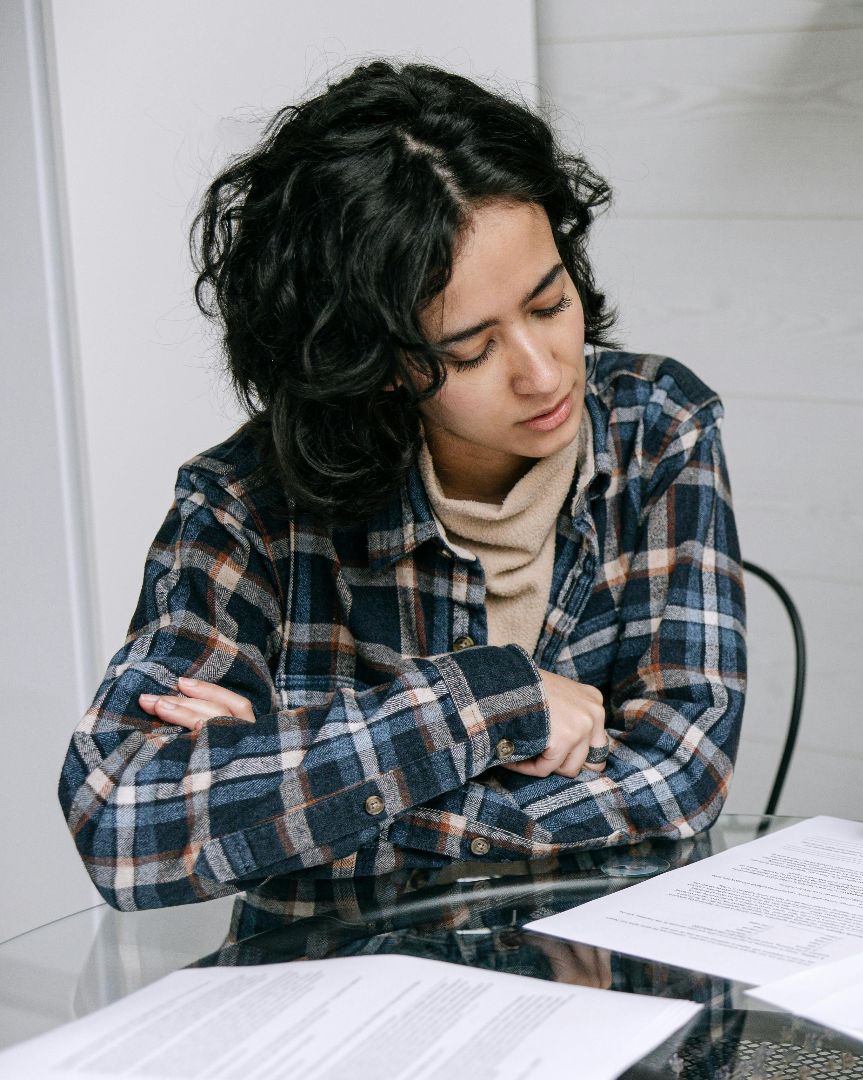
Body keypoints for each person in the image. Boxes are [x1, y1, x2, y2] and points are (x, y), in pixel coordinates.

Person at [59, 61, 746, 911]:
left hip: (594, 979)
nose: (542, 373)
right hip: (332, 1003)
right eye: (470, 351)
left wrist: (300, 802)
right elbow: (123, 822)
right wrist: (491, 700)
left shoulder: (659, 429)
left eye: (548, 302)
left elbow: (682, 779)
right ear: (376, 364)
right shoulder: (247, 505)